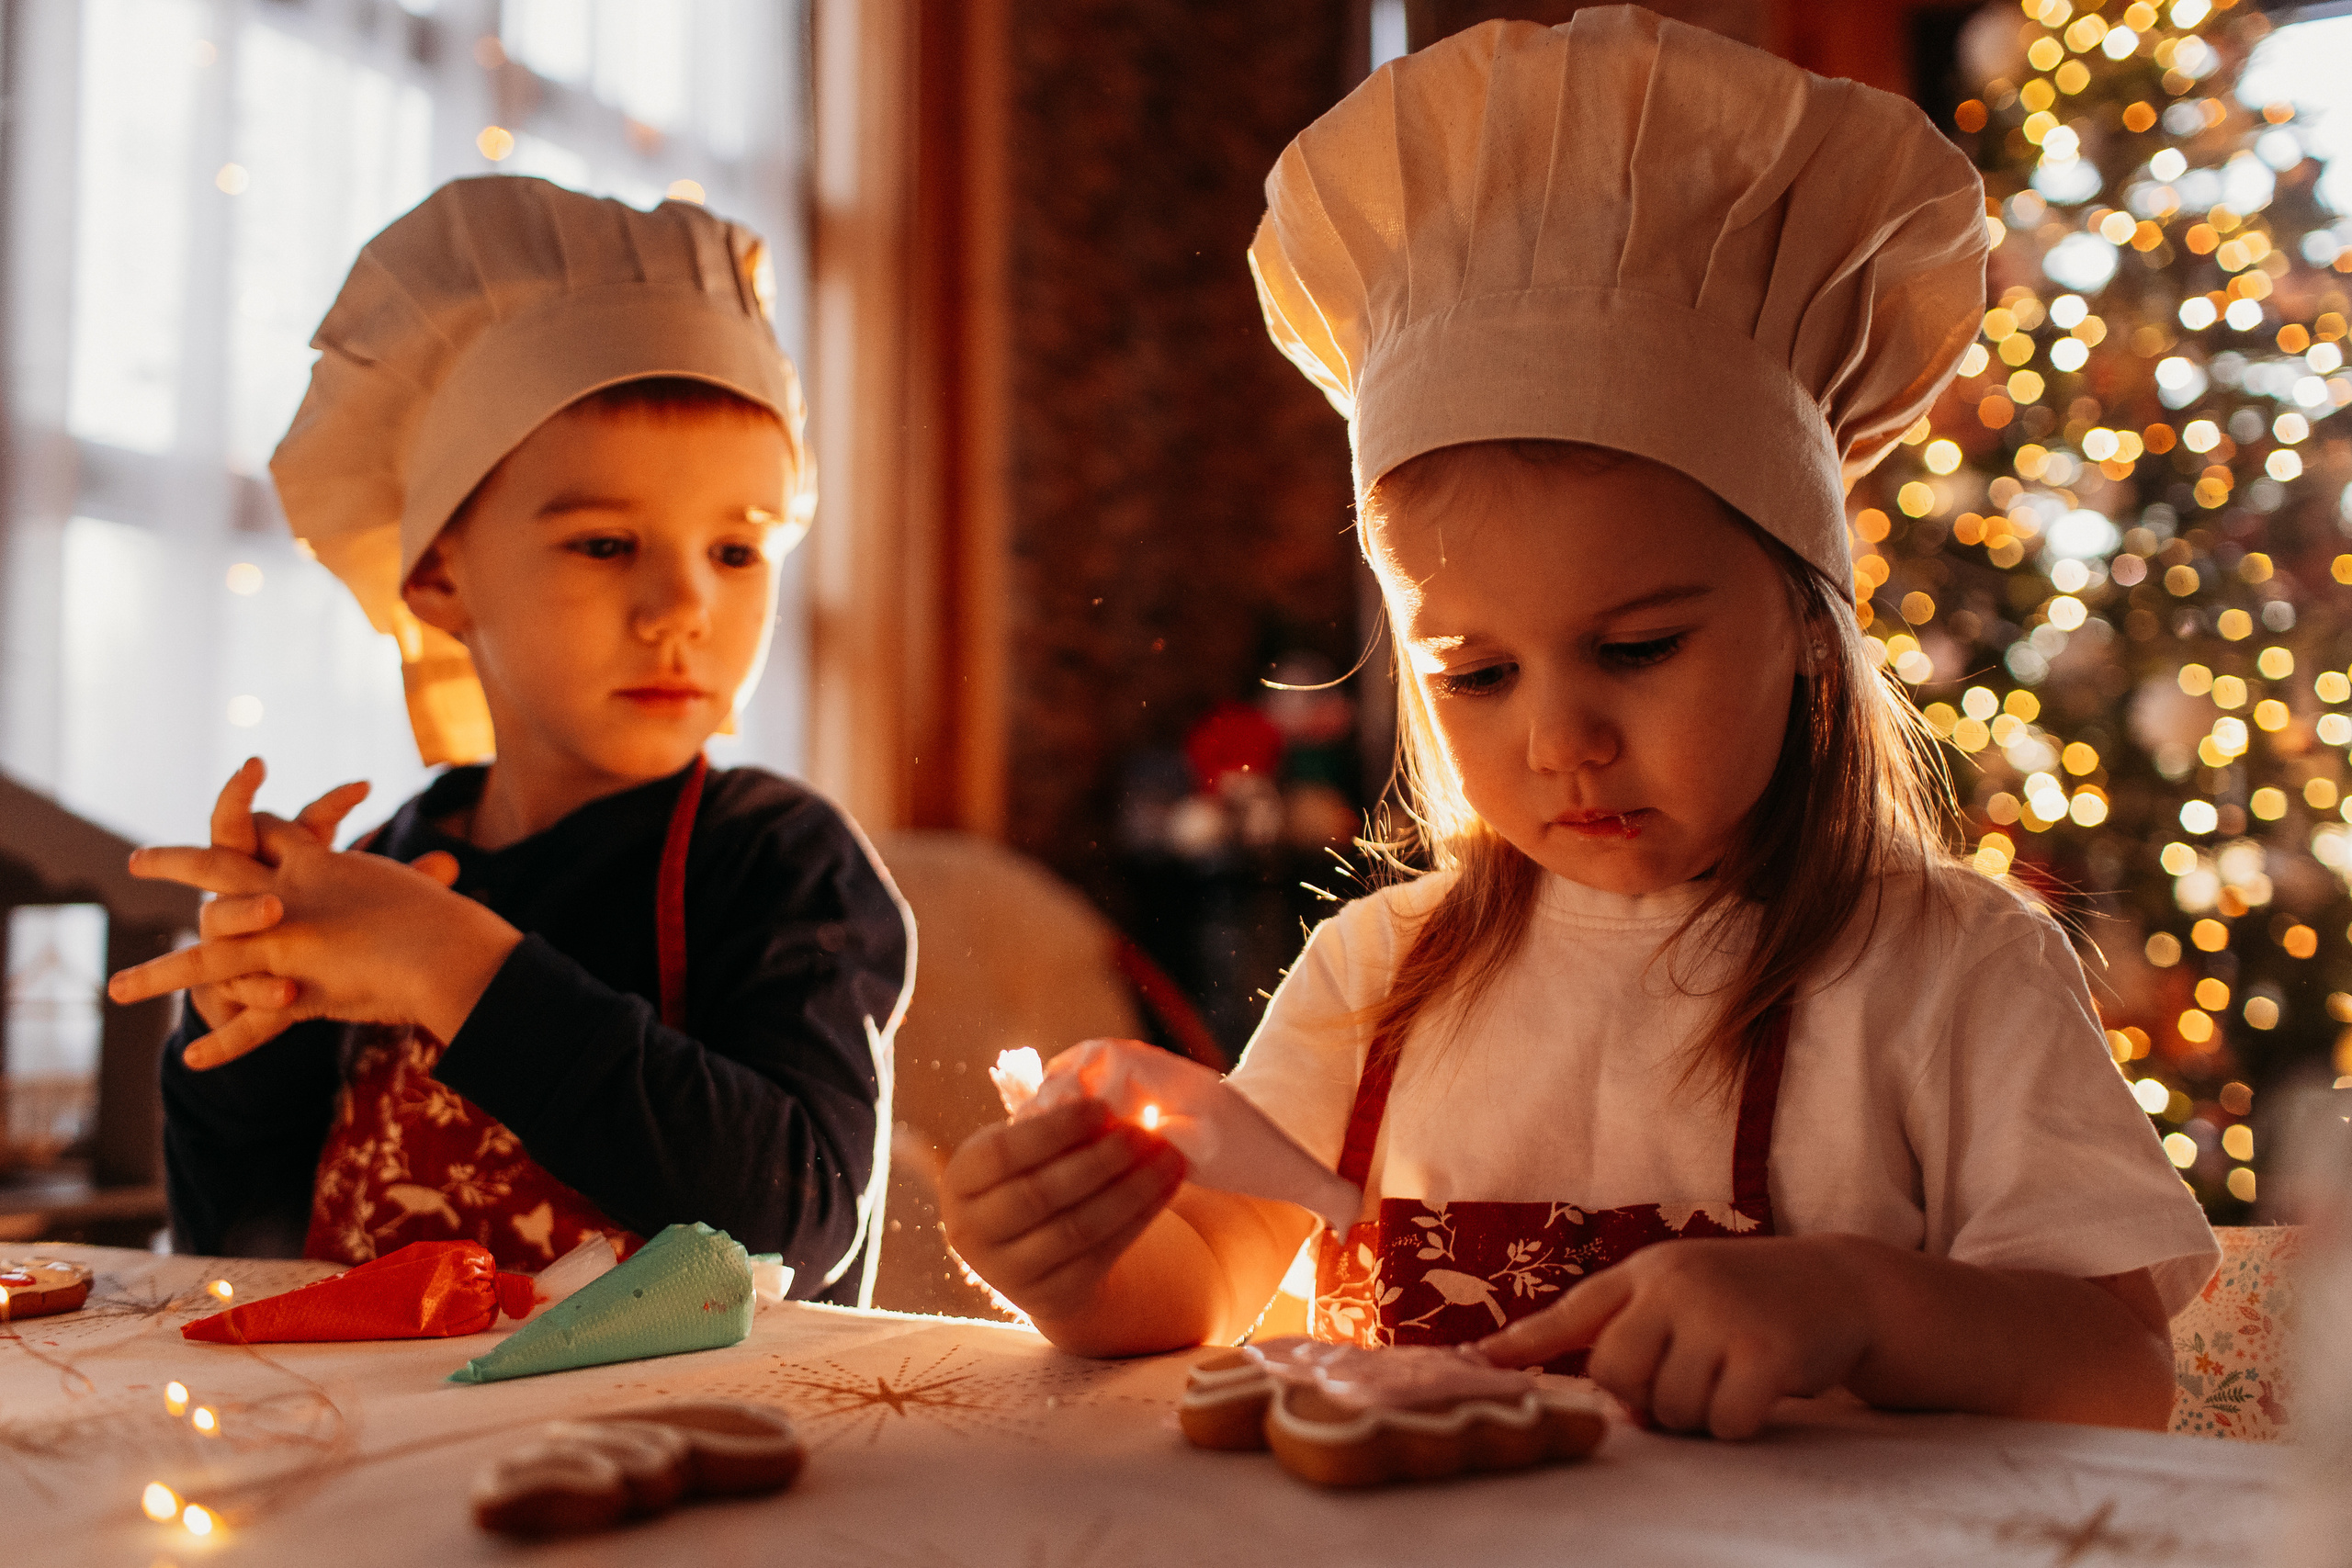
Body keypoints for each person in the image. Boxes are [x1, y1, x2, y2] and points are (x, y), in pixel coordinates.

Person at [938, 9, 2217, 1434]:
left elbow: (2119, 1371)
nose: (1562, 741)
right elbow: (1207, 1279)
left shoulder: (1949, 970)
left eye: (1637, 646)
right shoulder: (1378, 972)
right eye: (1477, 673)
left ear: (1807, 616)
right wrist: (1076, 1252)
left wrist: (1858, 1298)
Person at [107, 178, 912, 1304]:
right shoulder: (383, 871)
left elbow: (796, 1226)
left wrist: (450, 963)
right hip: (392, 1460)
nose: (681, 605)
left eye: (737, 552)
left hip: (690, 1457)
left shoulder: (776, 858)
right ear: (439, 573)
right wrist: (245, 1029)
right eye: (604, 543)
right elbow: (239, 1246)